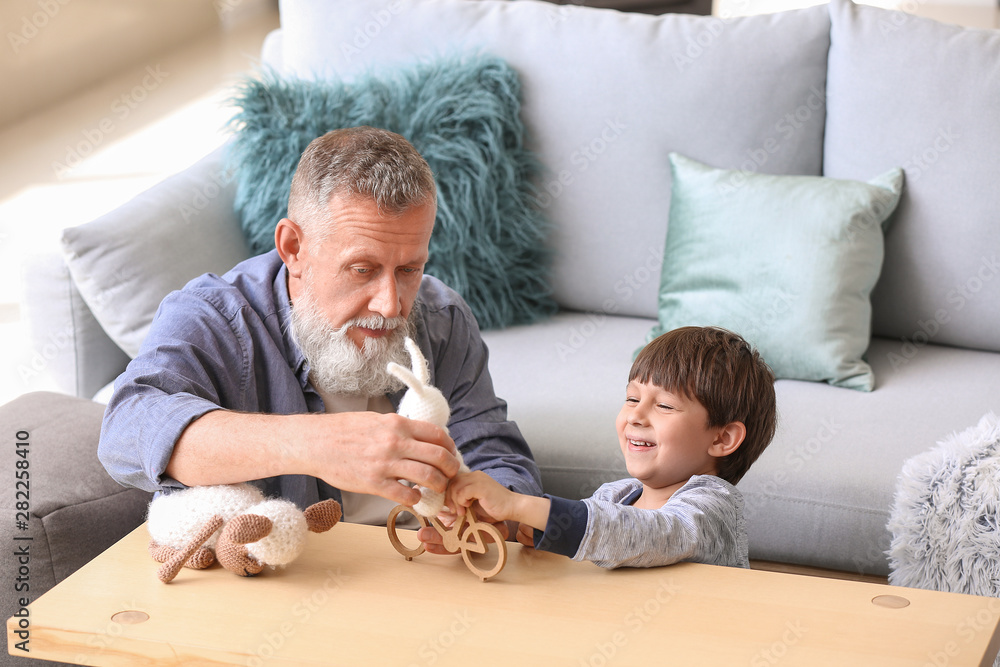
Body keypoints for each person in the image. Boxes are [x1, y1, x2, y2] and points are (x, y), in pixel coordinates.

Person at [98, 126, 541, 551]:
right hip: (284, 586)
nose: (391, 305)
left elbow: (494, 453)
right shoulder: (213, 318)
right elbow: (126, 431)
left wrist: (492, 515)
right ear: (293, 249)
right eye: (362, 269)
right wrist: (317, 444)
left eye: (409, 269)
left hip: (426, 576)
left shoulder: (442, 317)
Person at [448, 326, 776, 568]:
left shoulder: (714, 508)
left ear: (722, 439)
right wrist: (537, 532)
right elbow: (595, 537)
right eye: (632, 398)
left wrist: (521, 505)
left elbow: (648, 535)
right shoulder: (614, 496)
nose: (635, 415)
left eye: (663, 406)